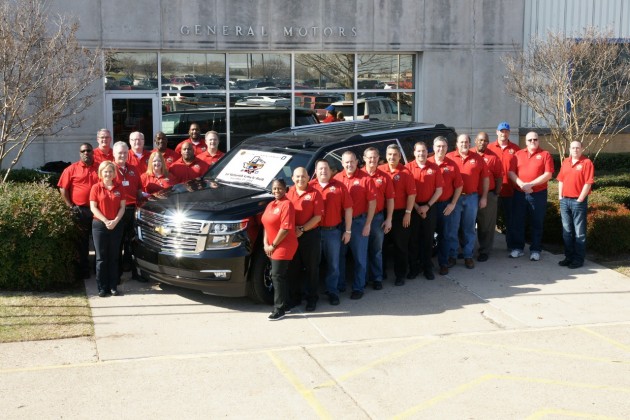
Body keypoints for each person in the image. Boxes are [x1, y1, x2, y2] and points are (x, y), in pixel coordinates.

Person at [334, 150, 377, 300]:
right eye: (346, 162)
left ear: (357, 161)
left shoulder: (366, 179)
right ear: (342, 163)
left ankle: (359, 287)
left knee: (359, 257)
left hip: (359, 222)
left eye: (352, 161)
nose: (349, 164)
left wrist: (368, 224)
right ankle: (339, 285)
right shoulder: (337, 178)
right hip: (340, 223)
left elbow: (372, 203)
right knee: (340, 256)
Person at [310, 159, 352, 306]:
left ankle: (332, 292)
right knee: (313, 264)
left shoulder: (339, 186)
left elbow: (348, 209)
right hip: (313, 233)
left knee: (334, 265)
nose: (323, 171)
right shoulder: (310, 186)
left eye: (326, 168)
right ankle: (311, 294)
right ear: (316, 171)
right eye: (320, 169)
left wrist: (348, 230)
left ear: (331, 170)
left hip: (333, 232)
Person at [508, 131, 554, 261]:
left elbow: (548, 174)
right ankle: (518, 248)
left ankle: (535, 249)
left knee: (537, 222)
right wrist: (521, 184)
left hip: (538, 194)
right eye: (530, 140)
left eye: (535, 139)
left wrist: (531, 184)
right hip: (519, 193)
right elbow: (511, 172)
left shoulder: (545, 155)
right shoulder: (518, 155)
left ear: (538, 140)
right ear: (525, 142)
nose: (532, 142)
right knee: (518, 221)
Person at [57, 143, 99, 279]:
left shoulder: (100, 168)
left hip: (99, 211)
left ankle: (98, 269)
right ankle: (84, 270)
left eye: (88, 150)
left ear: (93, 152)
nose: (86, 153)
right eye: (83, 151)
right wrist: (70, 206)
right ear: (80, 153)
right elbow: (63, 188)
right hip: (80, 211)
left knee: (99, 242)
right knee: (83, 242)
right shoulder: (71, 169)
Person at [447, 134, 489, 269]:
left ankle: (468, 256)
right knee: (453, 228)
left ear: (470, 143)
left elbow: (486, 179)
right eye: (461, 142)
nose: (464, 144)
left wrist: (484, 197)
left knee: (469, 229)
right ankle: (452, 255)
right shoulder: (449, 157)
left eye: (466, 142)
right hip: (454, 199)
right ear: (457, 144)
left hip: (471, 198)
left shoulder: (477, 158)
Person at [286, 167, 324, 311]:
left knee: (311, 268)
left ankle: (312, 298)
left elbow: (317, 217)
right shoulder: (288, 192)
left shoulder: (315, 193)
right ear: (293, 178)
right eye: (297, 177)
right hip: (292, 236)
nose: (300, 179)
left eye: (303, 176)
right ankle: (295, 298)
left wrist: (302, 229)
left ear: (308, 178)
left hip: (309, 236)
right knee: (293, 269)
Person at [378, 144, 416, 286]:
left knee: (401, 246)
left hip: (401, 214)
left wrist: (408, 213)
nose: (392, 157)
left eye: (395, 154)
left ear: (400, 156)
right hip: (382, 214)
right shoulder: (380, 171)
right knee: (382, 245)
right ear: (385, 156)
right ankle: (380, 273)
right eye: (389, 154)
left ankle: (400, 274)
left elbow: (412, 195)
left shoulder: (406, 173)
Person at [262, 179, 298, 321]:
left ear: (286, 189)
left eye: (280, 188)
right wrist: (266, 244)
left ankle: (279, 309)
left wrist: (273, 245)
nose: (277, 191)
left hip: (284, 245)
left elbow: (285, 229)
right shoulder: (271, 204)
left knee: (277, 276)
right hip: (272, 245)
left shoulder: (287, 204)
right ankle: (287, 303)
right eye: (274, 189)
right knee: (281, 275)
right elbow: (265, 225)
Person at [405, 142, 443, 280]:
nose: (421, 154)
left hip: (430, 207)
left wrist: (427, 206)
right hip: (412, 208)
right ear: (414, 153)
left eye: (424, 151)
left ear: (428, 152)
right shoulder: (407, 168)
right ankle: (414, 268)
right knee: (413, 240)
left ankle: (427, 267)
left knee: (428, 239)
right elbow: (406, 192)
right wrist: (417, 207)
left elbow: (439, 190)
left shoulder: (434, 168)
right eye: (418, 151)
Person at [90, 161, 126, 297]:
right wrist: (105, 221)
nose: (108, 174)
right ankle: (102, 287)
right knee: (101, 258)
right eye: (105, 171)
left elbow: (122, 207)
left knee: (114, 257)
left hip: (116, 226)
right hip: (100, 225)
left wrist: (115, 221)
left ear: (114, 173)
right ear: (101, 173)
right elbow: (93, 207)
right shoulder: (96, 188)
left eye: (110, 171)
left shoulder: (120, 187)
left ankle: (113, 286)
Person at [428, 136, 463, 276]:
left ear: (447, 148)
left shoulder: (452, 165)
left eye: (443, 146)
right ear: (433, 147)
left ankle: (443, 263)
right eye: (438, 146)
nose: (440, 149)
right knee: (427, 236)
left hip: (444, 205)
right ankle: (427, 263)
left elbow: (459, 186)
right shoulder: (427, 162)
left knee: (445, 236)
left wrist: (453, 203)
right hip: (428, 206)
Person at [557, 141, 594, 269]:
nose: (575, 150)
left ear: (582, 149)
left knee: (579, 233)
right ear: (569, 149)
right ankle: (569, 257)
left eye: (578, 148)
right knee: (567, 232)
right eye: (573, 148)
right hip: (565, 201)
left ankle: (578, 259)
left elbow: (588, 183)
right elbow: (560, 179)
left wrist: (579, 199)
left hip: (578, 202)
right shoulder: (565, 162)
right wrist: (560, 197)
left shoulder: (587, 163)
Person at [362, 147, 394, 290]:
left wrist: (389, 219)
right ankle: (362, 279)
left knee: (376, 250)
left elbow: (390, 199)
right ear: (364, 158)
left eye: (375, 157)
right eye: (369, 157)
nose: (372, 160)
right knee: (361, 251)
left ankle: (377, 278)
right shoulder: (358, 175)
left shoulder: (384, 176)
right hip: (360, 219)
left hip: (377, 218)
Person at [112, 141, 143, 280]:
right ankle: (116, 275)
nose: (123, 155)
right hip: (116, 211)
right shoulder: (109, 169)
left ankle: (136, 273)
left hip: (132, 210)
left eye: (125, 152)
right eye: (120, 153)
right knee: (117, 244)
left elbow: (139, 190)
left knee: (133, 243)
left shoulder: (134, 169)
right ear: (114, 154)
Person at [487, 122, 520, 251]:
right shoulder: (489, 148)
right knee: (489, 222)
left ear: (509, 133)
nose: (503, 133)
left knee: (510, 221)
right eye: (501, 131)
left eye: (506, 131)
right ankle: (486, 248)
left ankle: (512, 246)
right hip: (493, 191)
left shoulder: (516, 149)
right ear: (497, 132)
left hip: (510, 191)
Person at [472, 132, 504, 262]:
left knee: (486, 225)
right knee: (467, 224)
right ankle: (465, 250)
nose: (482, 143)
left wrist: (495, 193)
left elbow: (499, 177)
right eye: (480, 140)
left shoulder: (493, 157)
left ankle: (484, 250)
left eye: (485, 141)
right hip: (470, 195)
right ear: (475, 141)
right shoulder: (469, 154)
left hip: (489, 195)